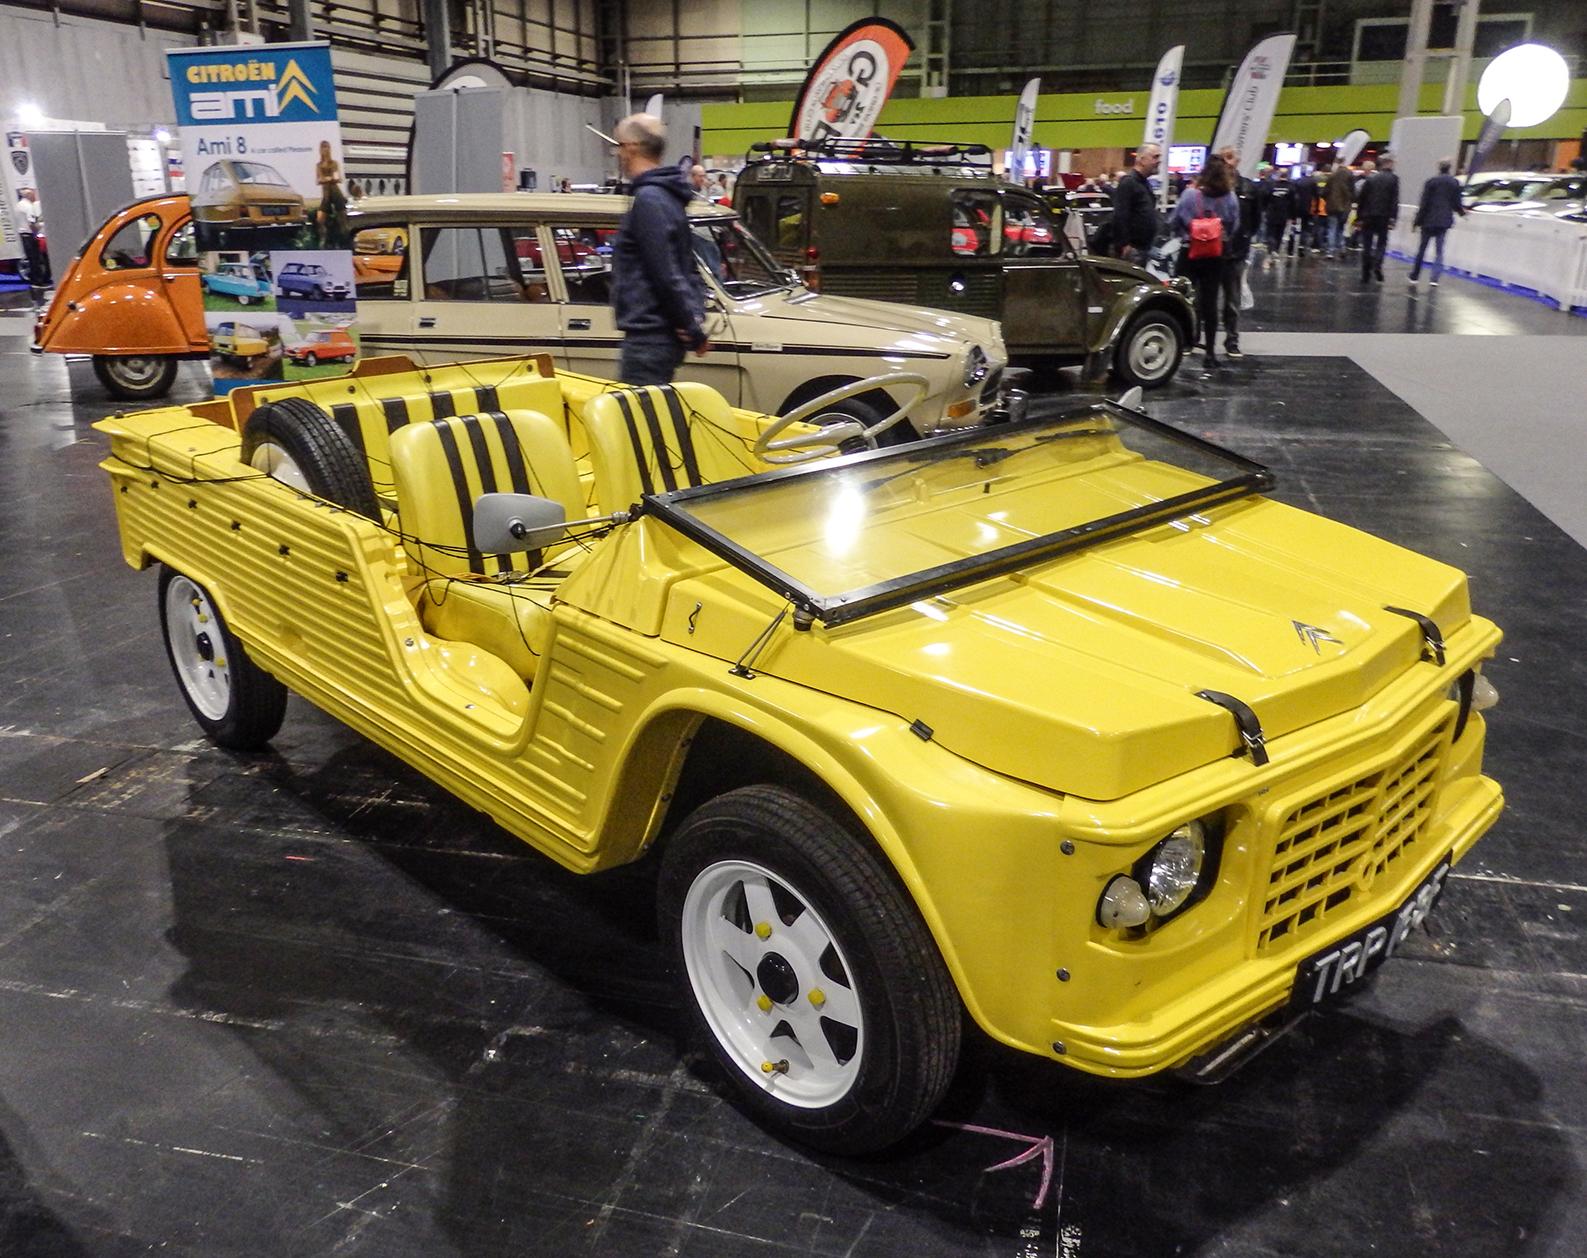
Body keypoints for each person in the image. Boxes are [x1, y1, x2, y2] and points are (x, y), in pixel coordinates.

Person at [609, 113, 708, 386]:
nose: (618, 154)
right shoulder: (668, 197)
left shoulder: (649, 199)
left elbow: (666, 271)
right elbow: (686, 267)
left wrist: (691, 326)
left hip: (648, 339)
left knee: (640, 412)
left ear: (631, 147)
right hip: (660, 337)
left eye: (618, 146)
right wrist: (692, 319)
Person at [1171, 153, 1240, 368]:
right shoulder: (1230, 197)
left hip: (1189, 253)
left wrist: (1189, 233)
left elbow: (1174, 221)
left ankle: (1184, 344)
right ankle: (1210, 353)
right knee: (1211, 303)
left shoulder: (1190, 195)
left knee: (1183, 299)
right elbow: (1234, 226)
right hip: (1215, 256)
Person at [1217, 146, 1258, 359]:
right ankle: (1194, 338)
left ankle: (1232, 340)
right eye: (1224, 158)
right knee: (1203, 299)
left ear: (1238, 161)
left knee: (1232, 300)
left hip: (1236, 253)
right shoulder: (1211, 187)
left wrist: (1245, 238)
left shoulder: (1249, 188)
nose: (1227, 162)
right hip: (1211, 252)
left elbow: (1256, 220)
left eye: (1231, 157)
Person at [1410, 158, 1465, 286]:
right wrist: (1462, 213)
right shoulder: (1454, 182)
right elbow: (1456, 203)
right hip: (1444, 220)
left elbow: (1424, 203)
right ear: (1450, 167)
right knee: (1439, 250)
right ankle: (1434, 278)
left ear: (1439, 167)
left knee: (1422, 249)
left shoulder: (1431, 182)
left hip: (1428, 220)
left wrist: (1417, 221)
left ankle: (1415, 276)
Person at [1110, 143, 1161, 264]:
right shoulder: (1128, 183)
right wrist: (1123, 244)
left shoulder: (1144, 184)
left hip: (1143, 248)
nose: (1159, 161)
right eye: (1155, 157)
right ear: (1141, 159)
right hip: (1131, 251)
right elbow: (1120, 215)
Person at [1355, 154, 1399, 282]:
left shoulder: (1371, 179)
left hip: (1368, 215)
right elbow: (1394, 200)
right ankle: (1378, 264)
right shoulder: (1393, 179)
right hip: (1384, 216)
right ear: (1390, 163)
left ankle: (1365, 272)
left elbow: (1362, 199)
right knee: (1381, 243)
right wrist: (1393, 218)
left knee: (1367, 244)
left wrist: (1359, 218)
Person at [315, 140, 348, 248]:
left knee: (342, 220)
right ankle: (324, 241)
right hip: (326, 194)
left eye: (327, 147)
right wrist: (328, 179)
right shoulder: (319, 165)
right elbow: (318, 180)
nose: (325, 149)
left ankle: (343, 241)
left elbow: (337, 178)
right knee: (320, 219)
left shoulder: (334, 163)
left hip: (335, 192)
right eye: (323, 147)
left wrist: (327, 179)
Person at [13, 187, 48, 286]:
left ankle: (33, 279)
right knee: (35, 259)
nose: (34, 196)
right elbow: (31, 222)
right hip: (30, 234)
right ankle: (38, 281)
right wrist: (38, 229)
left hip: (23, 234)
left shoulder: (18, 205)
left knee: (31, 259)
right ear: (29, 195)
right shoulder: (28, 206)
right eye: (33, 194)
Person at [1323, 162, 1354, 258]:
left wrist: (1328, 200)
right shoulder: (1350, 177)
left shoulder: (1331, 177)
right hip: (1345, 207)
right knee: (1341, 228)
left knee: (1332, 228)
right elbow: (1353, 193)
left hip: (1332, 207)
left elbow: (1324, 192)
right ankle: (1342, 248)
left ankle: (1330, 251)